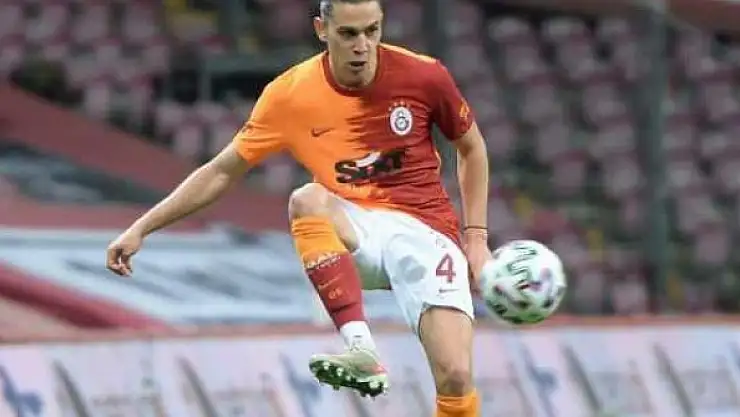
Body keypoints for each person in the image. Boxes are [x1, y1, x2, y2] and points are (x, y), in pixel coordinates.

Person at [106, 0, 491, 415]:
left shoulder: (424, 75)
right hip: (354, 229)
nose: (363, 46)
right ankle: (360, 348)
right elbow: (221, 171)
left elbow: (471, 148)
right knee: (307, 199)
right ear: (321, 30)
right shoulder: (290, 95)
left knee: (455, 377)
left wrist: (476, 239)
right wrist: (143, 227)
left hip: (425, 230)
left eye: (372, 31)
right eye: (348, 34)